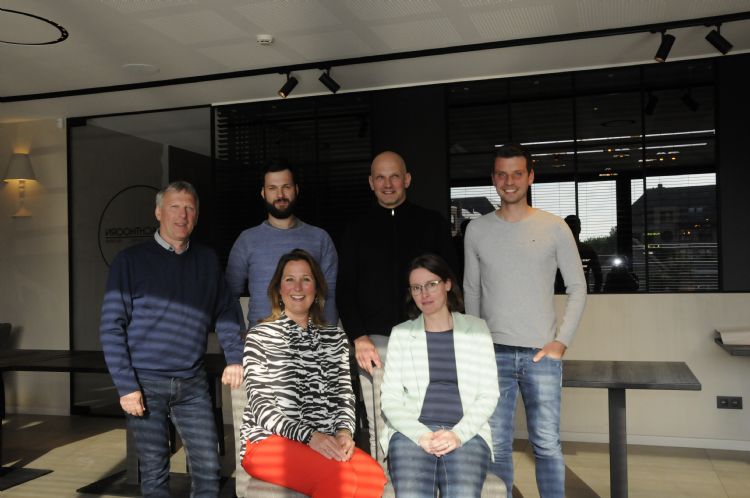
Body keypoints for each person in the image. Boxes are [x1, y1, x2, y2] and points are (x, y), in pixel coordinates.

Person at [100, 181, 244, 498]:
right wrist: (126, 386)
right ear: (158, 212)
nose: (182, 215)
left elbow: (226, 310)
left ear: (197, 215)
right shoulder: (129, 261)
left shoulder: (206, 260)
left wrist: (235, 357)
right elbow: (112, 327)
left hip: (192, 382)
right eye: (174, 207)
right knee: (154, 473)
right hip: (145, 383)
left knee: (209, 470)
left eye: (189, 208)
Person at [464, 144, 587, 498]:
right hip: (493, 354)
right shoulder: (477, 230)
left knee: (546, 444)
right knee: (498, 445)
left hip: (541, 354)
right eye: (502, 174)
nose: (509, 181)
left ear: (530, 177)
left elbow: (578, 287)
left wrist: (561, 342)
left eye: (517, 173)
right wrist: (476, 345)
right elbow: (472, 290)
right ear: (493, 179)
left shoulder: (555, 227)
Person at [337, 150, 458, 463]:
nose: (387, 184)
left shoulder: (431, 223)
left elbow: (450, 281)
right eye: (380, 177)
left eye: (394, 176)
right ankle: (383, 482)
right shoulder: (356, 229)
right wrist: (359, 338)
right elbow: (344, 290)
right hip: (374, 344)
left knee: (428, 421)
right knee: (380, 424)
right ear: (371, 182)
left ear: (407, 179)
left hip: (425, 339)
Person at [239, 249, 386, 498]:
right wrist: (309, 437)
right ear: (278, 289)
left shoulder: (335, 337)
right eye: (290, 279)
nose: (298, 287)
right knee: (339, 479)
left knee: (373, 478)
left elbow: (344, 396)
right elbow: (261, 406)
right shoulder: (260, 336)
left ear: (316, 289)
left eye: (306, 279)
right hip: (268, 442)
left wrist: (343, 432)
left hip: (325, 439)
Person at [381, 254, 499, 498]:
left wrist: (458, 435)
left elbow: (489, 394)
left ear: (447, 284)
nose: (424, 293)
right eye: (416, 287)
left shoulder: (477, 329)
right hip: (412, 432)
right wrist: (420, 435)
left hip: (466, 431)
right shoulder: (401, 334)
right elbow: (390, 399)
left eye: (431, 284)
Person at [226, 163, 338, 327]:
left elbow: (329, 295)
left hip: (310, 338)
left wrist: (328, 336)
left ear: (296, 190)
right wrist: (239, 334)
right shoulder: (247, 240)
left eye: (286, 187)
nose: (280, 195)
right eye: (272, 188)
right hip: (261, 338)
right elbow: (229, 295)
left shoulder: (320, 238)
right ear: (263, 193)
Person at [555, 214, 602, 293]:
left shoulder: (557, 251)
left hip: (561, 296)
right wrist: (594, 296)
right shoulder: (588, 250)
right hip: (581, 295)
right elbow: (598, 278)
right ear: (580, 229)